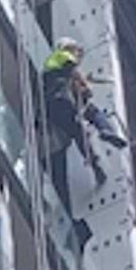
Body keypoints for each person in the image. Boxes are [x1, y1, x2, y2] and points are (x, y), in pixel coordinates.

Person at [42, 38, 125, 183]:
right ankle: (106, 130)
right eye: (77, 52)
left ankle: (95, 166)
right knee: (93, 112)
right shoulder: (62, 56)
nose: (78, 56)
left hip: (54, 108)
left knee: (78, 134)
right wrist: (86, 86)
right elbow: (75, 75)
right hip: (64, 100)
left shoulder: (54, 68)